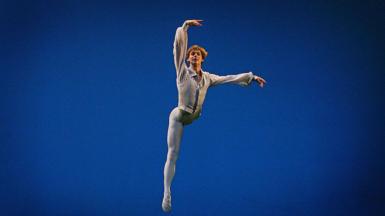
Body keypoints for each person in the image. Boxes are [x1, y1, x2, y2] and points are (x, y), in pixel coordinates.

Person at [162, 19, 266, 212]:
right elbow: (177, 48)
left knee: (177, 151)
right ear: (187, 58)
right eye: (191, 54)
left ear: (202, 58)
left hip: (193, 117)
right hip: (179, 116)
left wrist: (251, 77)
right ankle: (167, 191)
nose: (194, 56)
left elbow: (229, 78)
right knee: (173, 153)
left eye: (197, 54)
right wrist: (184, 28)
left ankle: (168, 189)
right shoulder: (182, 72)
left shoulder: (208, 78)